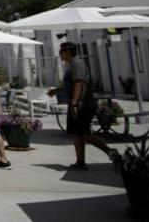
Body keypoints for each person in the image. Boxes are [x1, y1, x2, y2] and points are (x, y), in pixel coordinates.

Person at [48, 42, 111, 170]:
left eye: (61, 52)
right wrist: (56, 90)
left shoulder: (77, 64)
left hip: (83, 105)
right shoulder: (71, 65)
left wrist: (75, 103)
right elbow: (69, 84)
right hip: (76, 105)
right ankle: (80, 162)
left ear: (67, 51)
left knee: (85, 134)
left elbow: (79, 84)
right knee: (78, 134)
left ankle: (111, 152)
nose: (60, 55)